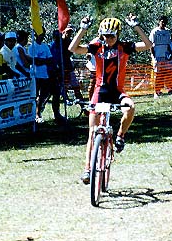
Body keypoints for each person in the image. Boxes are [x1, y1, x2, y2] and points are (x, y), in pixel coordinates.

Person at [68, 14, 152, 184]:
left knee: (130, 107)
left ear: (118, 34)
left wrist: (136, 26)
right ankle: (87, 169)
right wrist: (83, 28)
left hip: (117, 91)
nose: (108, 39)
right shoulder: (96, 46)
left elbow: (148, 45)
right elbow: (73, 48)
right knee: (92, 133)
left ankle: (120, 135)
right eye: (105, 35)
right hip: (99, 92)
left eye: (112, 35)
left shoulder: (124, 47)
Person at [28, 28, 52, 123]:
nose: (41, 36)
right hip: (35, 75)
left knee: (43, 95)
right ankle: (32, 114)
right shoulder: (31, 47)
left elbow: (50, 59)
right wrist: (42, 61)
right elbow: (34, 61)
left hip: (44, 75)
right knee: (34, 95)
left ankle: (38, 113)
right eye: (39, 34)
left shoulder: (45, 46)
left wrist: (41, 61)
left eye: (43, 34)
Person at [47, 29, 67, 125]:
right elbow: (50, 60)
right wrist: (55, 69)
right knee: (45, 94)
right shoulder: (51, 46)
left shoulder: (62, 47)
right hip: (50, 73)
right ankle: (38, 113)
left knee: (57, 94)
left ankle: (57, 114)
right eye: (56, 37)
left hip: (59, 72)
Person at [149, 15, 171, 99]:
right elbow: (151, 45)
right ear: (159, 21)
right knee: (157, 75)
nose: (163, 23)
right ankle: (155, 92)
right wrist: (153, 57)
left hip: (165, 57)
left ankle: (160, 90)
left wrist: (170, 54)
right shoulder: (154, 31)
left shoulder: (168, 32)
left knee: (164, 74)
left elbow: (168, 45)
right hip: (157, 56)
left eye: (165, 21)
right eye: (162, 21)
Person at [61, 25, 84, 102]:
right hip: (61, 67)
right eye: (68, 32)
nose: (69, 33)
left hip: (69, 66)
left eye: (71, 32)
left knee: (75, 85)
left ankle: (80, 100)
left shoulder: (71, 42)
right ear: (64, 31)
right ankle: (66, 99)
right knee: (63, 85)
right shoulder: (60, 42)